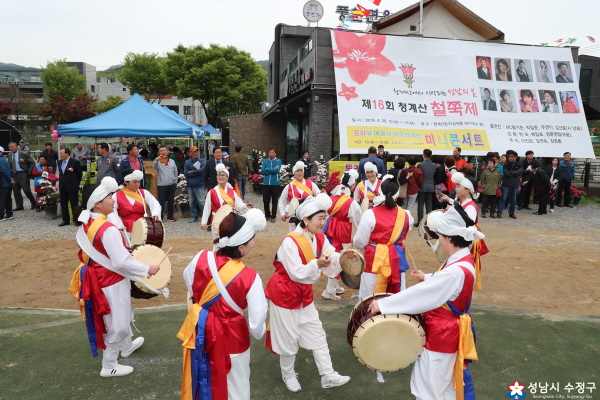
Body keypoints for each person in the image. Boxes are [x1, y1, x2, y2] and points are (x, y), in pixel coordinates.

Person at [367, 205, 483, 400]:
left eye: (440, 238)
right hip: (449, 331)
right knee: (445, 386)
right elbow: (443, 285)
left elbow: (424, 295)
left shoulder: (454, 270)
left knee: (428, 388)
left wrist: (385, 305)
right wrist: (428, 277)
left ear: (448, 237)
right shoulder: (463, 260)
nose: (439, 242)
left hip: (442, 334)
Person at [69, 178, 160, 378]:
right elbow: (121, 263)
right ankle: (109, 365)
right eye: (109, 197)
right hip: (110, 280)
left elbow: (101, 251)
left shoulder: (88, 220)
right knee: (117, 322)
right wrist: (147, 269)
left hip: (99, 277)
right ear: (97, 203)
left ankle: (126, 346)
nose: (114, 200)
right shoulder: (108, 228)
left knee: (121, 313)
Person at [178, 208, 268, 400]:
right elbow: (257, 320)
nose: (254, 243)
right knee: (237, 387)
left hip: (201, 333)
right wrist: (257, 332)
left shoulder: (200, 258)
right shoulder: (250, 277)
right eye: (252, 239)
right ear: (241, 247)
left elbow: (189, 281)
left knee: (205, 379)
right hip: (233, 339)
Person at [265, 194, 351, 392]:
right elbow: (296, 273)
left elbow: (332, 254)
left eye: (325, 217)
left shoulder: (320, 237)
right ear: (305, 219)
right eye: (320, 218)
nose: (324, 222)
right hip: (285, 295)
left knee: (317, 333)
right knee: (288, 338)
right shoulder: (290, 242)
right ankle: (288, 375)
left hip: (304, 294)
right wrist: (317, 264)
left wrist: (345, 258)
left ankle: (328, 374)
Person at [353, 174, 413, 299]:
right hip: (396, 258)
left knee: (369, 295)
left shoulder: (370, 214)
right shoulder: (407, 215)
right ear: (398, 195)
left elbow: (359, 241)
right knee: (396, 295)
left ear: (379, 191)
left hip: (374, 258)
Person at [322, 169, 362, 300]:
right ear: (352, 186)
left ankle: (333, 286)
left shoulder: (331, 198)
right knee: (341, 259)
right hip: (343, 231)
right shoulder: (351, 203)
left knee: (334, 256)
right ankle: (330, 290)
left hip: (330, 230)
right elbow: (359, 222)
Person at [201, 163, 252, 241]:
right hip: (216, 220)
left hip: (229, 220)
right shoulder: (212, 192)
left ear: (227, 178)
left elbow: (238, 205)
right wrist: (204, 222)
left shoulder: (232, 192)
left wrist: (245, 206)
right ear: (216, 177)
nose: (221, 177)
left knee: (229, 242)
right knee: (217, 243)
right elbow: (207, 208)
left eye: (223, 175)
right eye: (219, 175)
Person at [108, 169, 161, 243]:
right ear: (126, 182)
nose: (137, 184)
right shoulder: (116, 195)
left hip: (143, 227)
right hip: (125, 227)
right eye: (134, 182)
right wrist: (117, 224)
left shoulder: (144, 193)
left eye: (139, 182)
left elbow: (155, 205)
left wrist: (155, 214)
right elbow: (111, 211)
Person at [279, 161, 321, 231]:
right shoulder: (289, 186)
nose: (299, 173)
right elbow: (282, 200)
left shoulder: (311, 184)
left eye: (301, 170)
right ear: (293, 173)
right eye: (297, 171)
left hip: (308, 215)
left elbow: (318, 196)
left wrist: (322, 194)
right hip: (294, 216)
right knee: (294, 237)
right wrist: (283, 213)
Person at [57, 147, 83, 226]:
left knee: (74, 204)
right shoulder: (59, 162)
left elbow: (79, 174)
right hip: (62, 186)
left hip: (72, 186)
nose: (60, 155)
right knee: (63, 203)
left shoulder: (75, 162)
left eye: (62, 153)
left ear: (67, 154)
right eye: (60, 153)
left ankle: (76, 220)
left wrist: (76, 183)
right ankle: (65, 220)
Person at [7, 142, 36, 211]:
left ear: (16, 147)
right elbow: (9, 165)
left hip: (22, 173)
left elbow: (32, 163)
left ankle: (33, 202)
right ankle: (19, 205)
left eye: (13, 146)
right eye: (10, 147)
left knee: (26, 190)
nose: (12, 148)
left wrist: (28, 172)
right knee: (16, 191)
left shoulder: (23, 154)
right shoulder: (9, 154)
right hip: (14, 174)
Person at [153, 145, 178, 221]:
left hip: (171, 183)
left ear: (167, 152)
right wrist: (156, 160)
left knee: (171, 201)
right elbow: (154, 167)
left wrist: (175, 181)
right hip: (162, 184)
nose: (163, 152)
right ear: (158, 152)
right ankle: (160, 216)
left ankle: (170, 216)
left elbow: (175, 171)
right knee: (161, 201)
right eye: (161, 151)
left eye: (164, 150)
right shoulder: (158, 161)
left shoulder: (172, 161)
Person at [497, 150, 522, 219]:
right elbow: (506, 173)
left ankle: (511, 213)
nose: (510, 158)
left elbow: (520, 172)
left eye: (512, 157)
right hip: (506, 184)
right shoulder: (506, 164)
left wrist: (511, 172)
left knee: (513, 200)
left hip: (515, 185)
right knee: (503, 199)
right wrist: (515, 173)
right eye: (509, 157)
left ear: (516, 157)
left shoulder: (519, 165)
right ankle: (499, 212)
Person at [183, 146, 205, 223]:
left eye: (197, 152)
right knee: (191, 201)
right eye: (194, 152)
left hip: (199, 184)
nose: (196, 153)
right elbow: (185, 173)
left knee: (201, 201)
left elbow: (202, 170)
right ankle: (194, 216)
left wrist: (192, 172)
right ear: (190, 153)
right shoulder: (187, 162)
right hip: (190, 185)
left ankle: (205, 216)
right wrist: (196, 172)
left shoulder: (201, 161)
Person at [261, 148, 281, 223]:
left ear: (275, 153)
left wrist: (267, 169)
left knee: (275, 201)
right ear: (268, 153)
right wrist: (271, 169)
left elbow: (276, 170)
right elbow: (262, 171)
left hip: (275, 183)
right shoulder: (265, 161)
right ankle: (267, 215)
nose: (271, 154)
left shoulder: (278, 161)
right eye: (270, 152)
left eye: (273, 152)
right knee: (265, 200)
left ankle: (273, 216)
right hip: (266, 183)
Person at [417, 149, 436, 226]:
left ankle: (420, 222)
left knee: (420, 204)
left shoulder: (420, 165)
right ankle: (428, 221)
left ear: (423, 155)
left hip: (422, 186)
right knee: (429, 204)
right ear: (431, 156)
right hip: (431, 186)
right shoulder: (434, 166)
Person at [0, 146, 14, 221]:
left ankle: (1, 215)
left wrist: (9, 179)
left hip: (3, 182)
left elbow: (3, 171)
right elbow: (9, 170)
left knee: (2, 199)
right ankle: (9, 214)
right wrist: (12, 178)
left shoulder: (0, 160)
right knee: (8, 198)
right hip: (8, 183)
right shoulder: (4, 159)